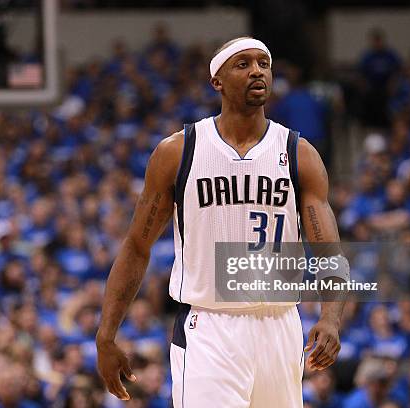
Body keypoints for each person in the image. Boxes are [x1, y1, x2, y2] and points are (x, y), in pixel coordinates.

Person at [96, 37, 348, 407]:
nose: (257, 71)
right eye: (242, 64)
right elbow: (137, 245)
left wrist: (331, 316)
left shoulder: (299, 153)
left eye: (263, 63)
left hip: (281, 326)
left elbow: (329, 249)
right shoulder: (179, 151)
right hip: (209, 328)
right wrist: (106, 335)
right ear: (217, 81)